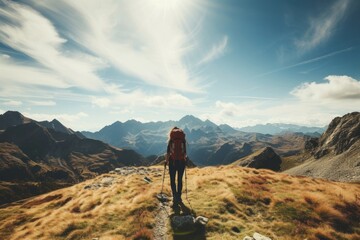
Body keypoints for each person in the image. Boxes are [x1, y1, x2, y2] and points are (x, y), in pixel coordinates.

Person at [165, 127, 187, 207]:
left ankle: (174, 197)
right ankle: (179, 197)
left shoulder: (171, 140)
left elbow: (168, 153)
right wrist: (184, 160)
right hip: (181, 162)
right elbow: (184, 153)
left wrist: (166, 161)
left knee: (172, 179)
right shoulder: (183, 140)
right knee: (180, 180)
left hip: (172, 162)